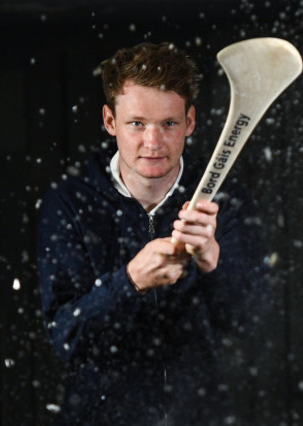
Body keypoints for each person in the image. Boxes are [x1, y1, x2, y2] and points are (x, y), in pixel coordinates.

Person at [37, 42, 270, 425]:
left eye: (169, 123)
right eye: (137, 123)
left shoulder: (225, 201)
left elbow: (247, 322)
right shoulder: (69, 204)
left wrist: (214, 263)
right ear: (111, 122)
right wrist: (130, 282)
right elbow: (67, 337)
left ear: (190, 122)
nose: (153, 142)